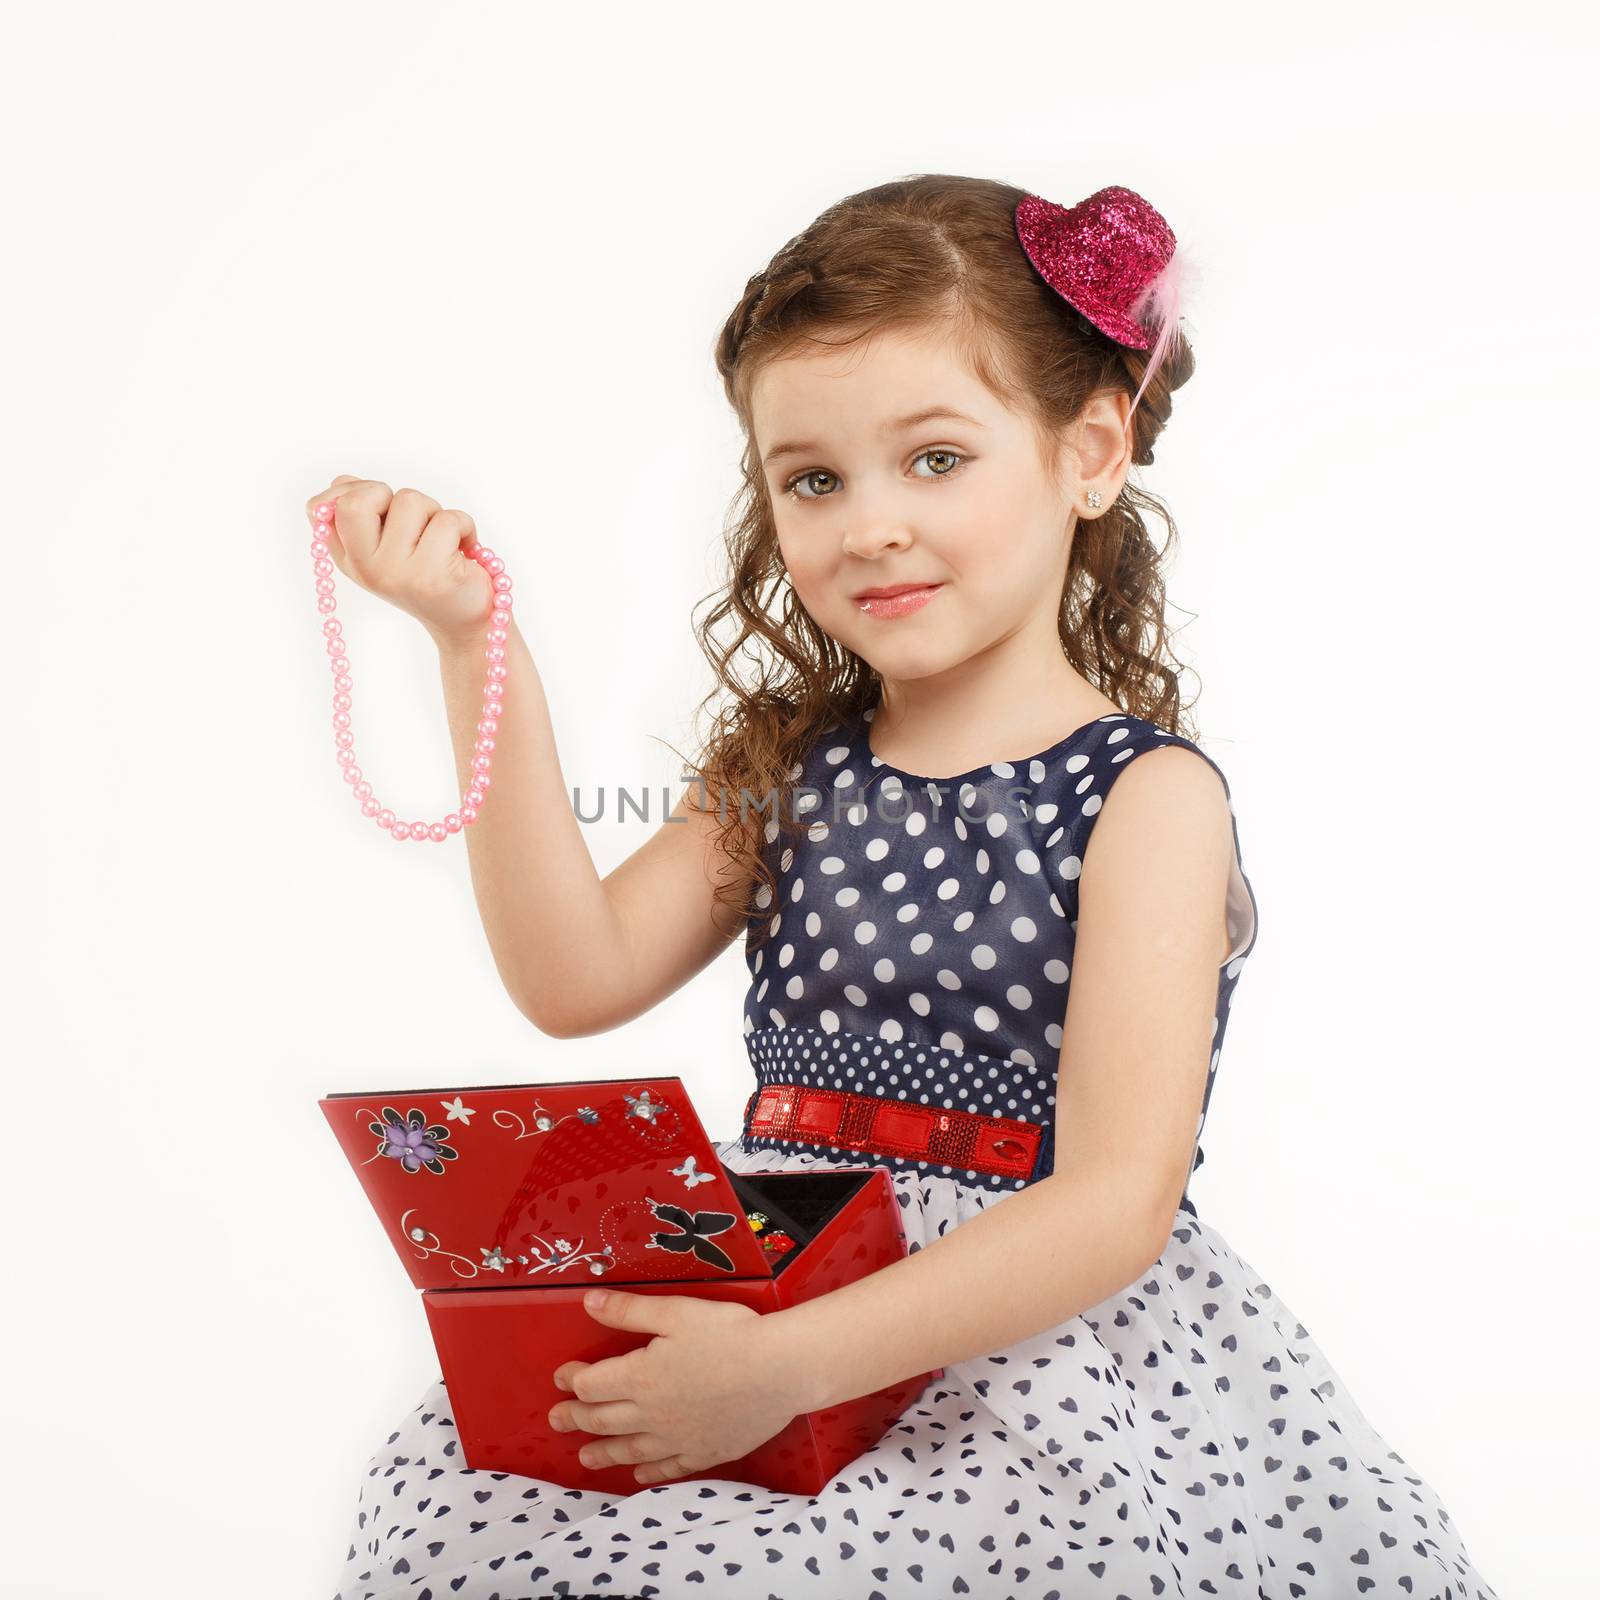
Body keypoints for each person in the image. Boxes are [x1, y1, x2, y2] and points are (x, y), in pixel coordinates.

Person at [315, 176, 1497, 1600]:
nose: (868, 523)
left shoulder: (1146, 801)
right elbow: (574, 978)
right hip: (776, 1290)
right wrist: (470, 645)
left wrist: (783, 1366)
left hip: (1015, 1355)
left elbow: (1115, 1203)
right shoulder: (789, 770)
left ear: (1092, 451)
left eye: (934, 459)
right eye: (812, 478)